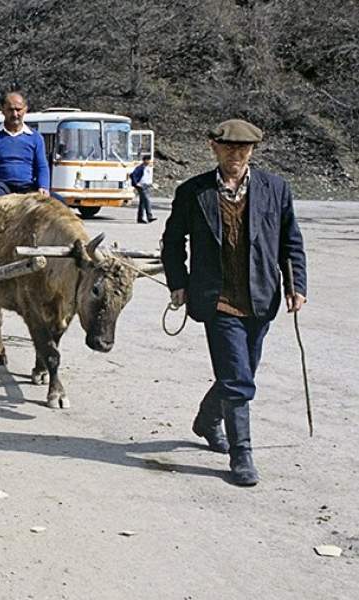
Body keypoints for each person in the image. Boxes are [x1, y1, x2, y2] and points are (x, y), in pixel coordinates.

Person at [161, 119, 307, 487]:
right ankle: (241, 455)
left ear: (253, 151)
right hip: (217, 299)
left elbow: (291, 242)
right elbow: (173, 241)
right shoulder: (193, 192)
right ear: (213, 147)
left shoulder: (275, 189)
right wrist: (178, 283)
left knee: (242, 374)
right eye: (228, 149)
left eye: (243, 150)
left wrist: (296, 284)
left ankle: (208, 420)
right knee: (238, 377)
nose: (235, 156)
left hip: (260, 297)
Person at [0, 91, 50, 199]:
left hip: (27, 188)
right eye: (10, 110)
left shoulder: (36, 138)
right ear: (3, 110)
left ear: (25, 109)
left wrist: (43, 187)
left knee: (59, 205)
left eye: (18, 110)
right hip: (0, 186)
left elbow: (42, 167)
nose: (14, 114)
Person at [130, 155, 156, 224]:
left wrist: (151, 184)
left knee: (142, 203)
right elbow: (133, 175)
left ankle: (140, 218)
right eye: (149, 160)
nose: (150, 162)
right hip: (141, 186)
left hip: (147, 186)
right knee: (147, 200)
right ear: (145, 160)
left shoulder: (148, 167)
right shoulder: (140, 168)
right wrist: (136, 183)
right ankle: (149, 216)